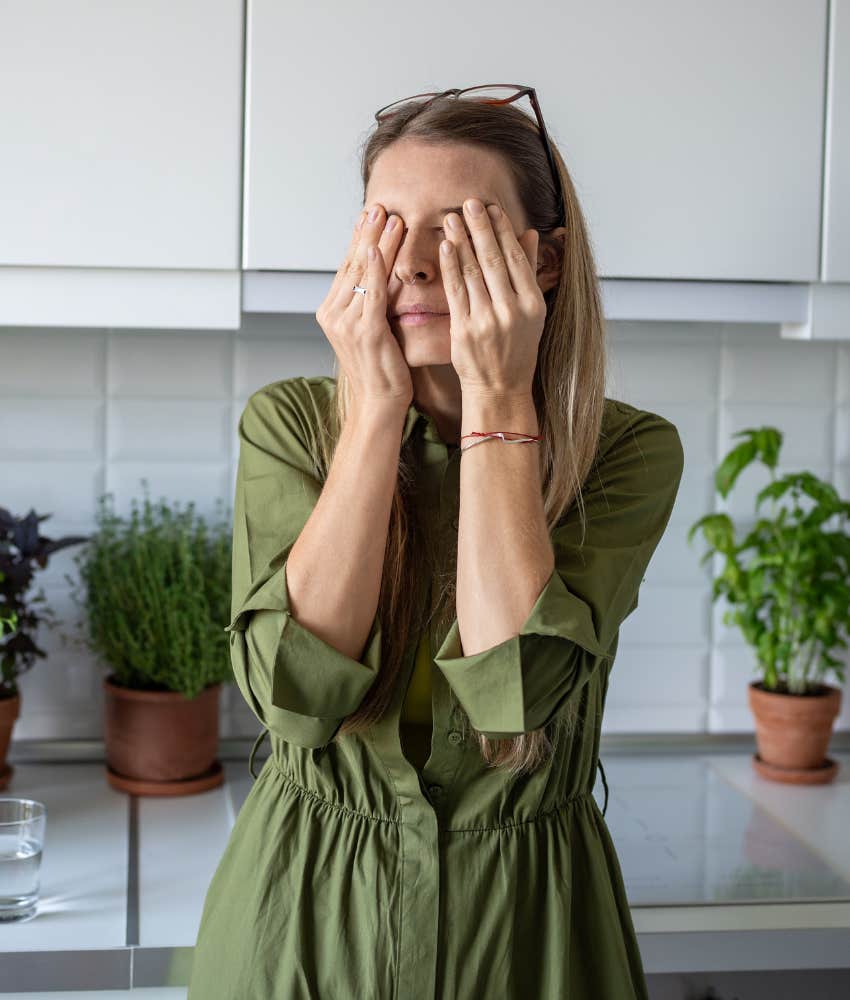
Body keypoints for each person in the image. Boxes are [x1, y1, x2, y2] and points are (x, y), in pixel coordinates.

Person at [188, 86, 684, 999]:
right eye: (387, 225)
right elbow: (295, 697)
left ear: (544, 260)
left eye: (458, 228)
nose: (410, 265)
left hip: (529, 934)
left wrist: (498, 401)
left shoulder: (627, 453)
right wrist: (372, 415)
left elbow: (514, 696)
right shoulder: (290, 425)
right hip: (301, 918)